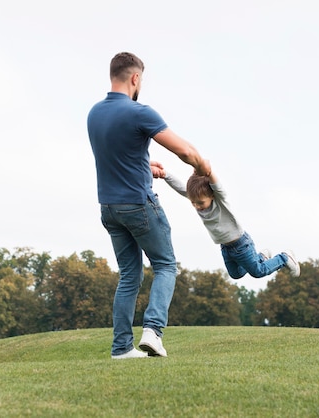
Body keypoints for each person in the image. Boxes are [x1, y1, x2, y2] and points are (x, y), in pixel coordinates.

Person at [87, 52, 211, 360]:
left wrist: (144, 167)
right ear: (135, 78)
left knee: (129, 275)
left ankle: (120, 349)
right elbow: (185, 150)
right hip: (139, 206)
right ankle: (153, 332)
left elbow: (118, 156)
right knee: (166, 265)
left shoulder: (94, 113)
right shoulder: (139, 112)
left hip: (109, 208)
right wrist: (205, 171)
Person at [154, 167, 300, 279]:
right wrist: (165, 174)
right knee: (235, 274)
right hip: (226, 247)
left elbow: (218, 186)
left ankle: (284, 257)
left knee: (258, 272)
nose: (197, 206)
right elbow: (181, 188)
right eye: (193, 203)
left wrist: (209, 173)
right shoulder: (198, 199)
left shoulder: (220, 201)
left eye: (200, 203)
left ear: (211, 195)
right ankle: (261, 257)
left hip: (241, 244)